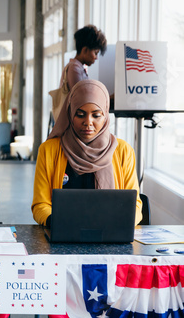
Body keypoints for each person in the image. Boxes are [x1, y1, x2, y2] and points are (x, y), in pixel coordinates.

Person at [32, 79, 142, 227]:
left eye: (96, 115)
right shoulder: (49, 150)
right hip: (63, 232)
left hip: (110, 235)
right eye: (80, 114)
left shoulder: (123, 151)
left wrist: (120, 224)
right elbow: (40, 204)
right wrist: (57, 222)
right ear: (70, 114)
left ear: (105, 116)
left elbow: (134, 204)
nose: (88, 122)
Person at [51, 25, 107, 122]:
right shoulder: (74, 68)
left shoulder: (78, 67)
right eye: (95, 52)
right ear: (85, 50)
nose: (96, 57)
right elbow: (81, 99)